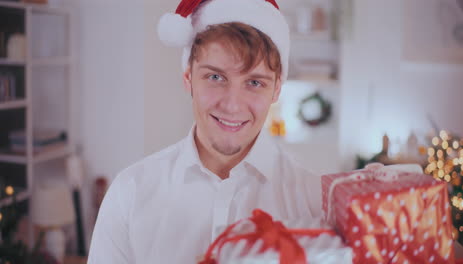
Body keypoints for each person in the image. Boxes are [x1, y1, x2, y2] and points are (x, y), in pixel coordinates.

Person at [87, 0, 321, 262]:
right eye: (215, 77)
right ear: (188, 78)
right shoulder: (129, 193)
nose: (232, 105)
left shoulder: (314, 202)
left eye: (254, 82)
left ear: (277, 89)